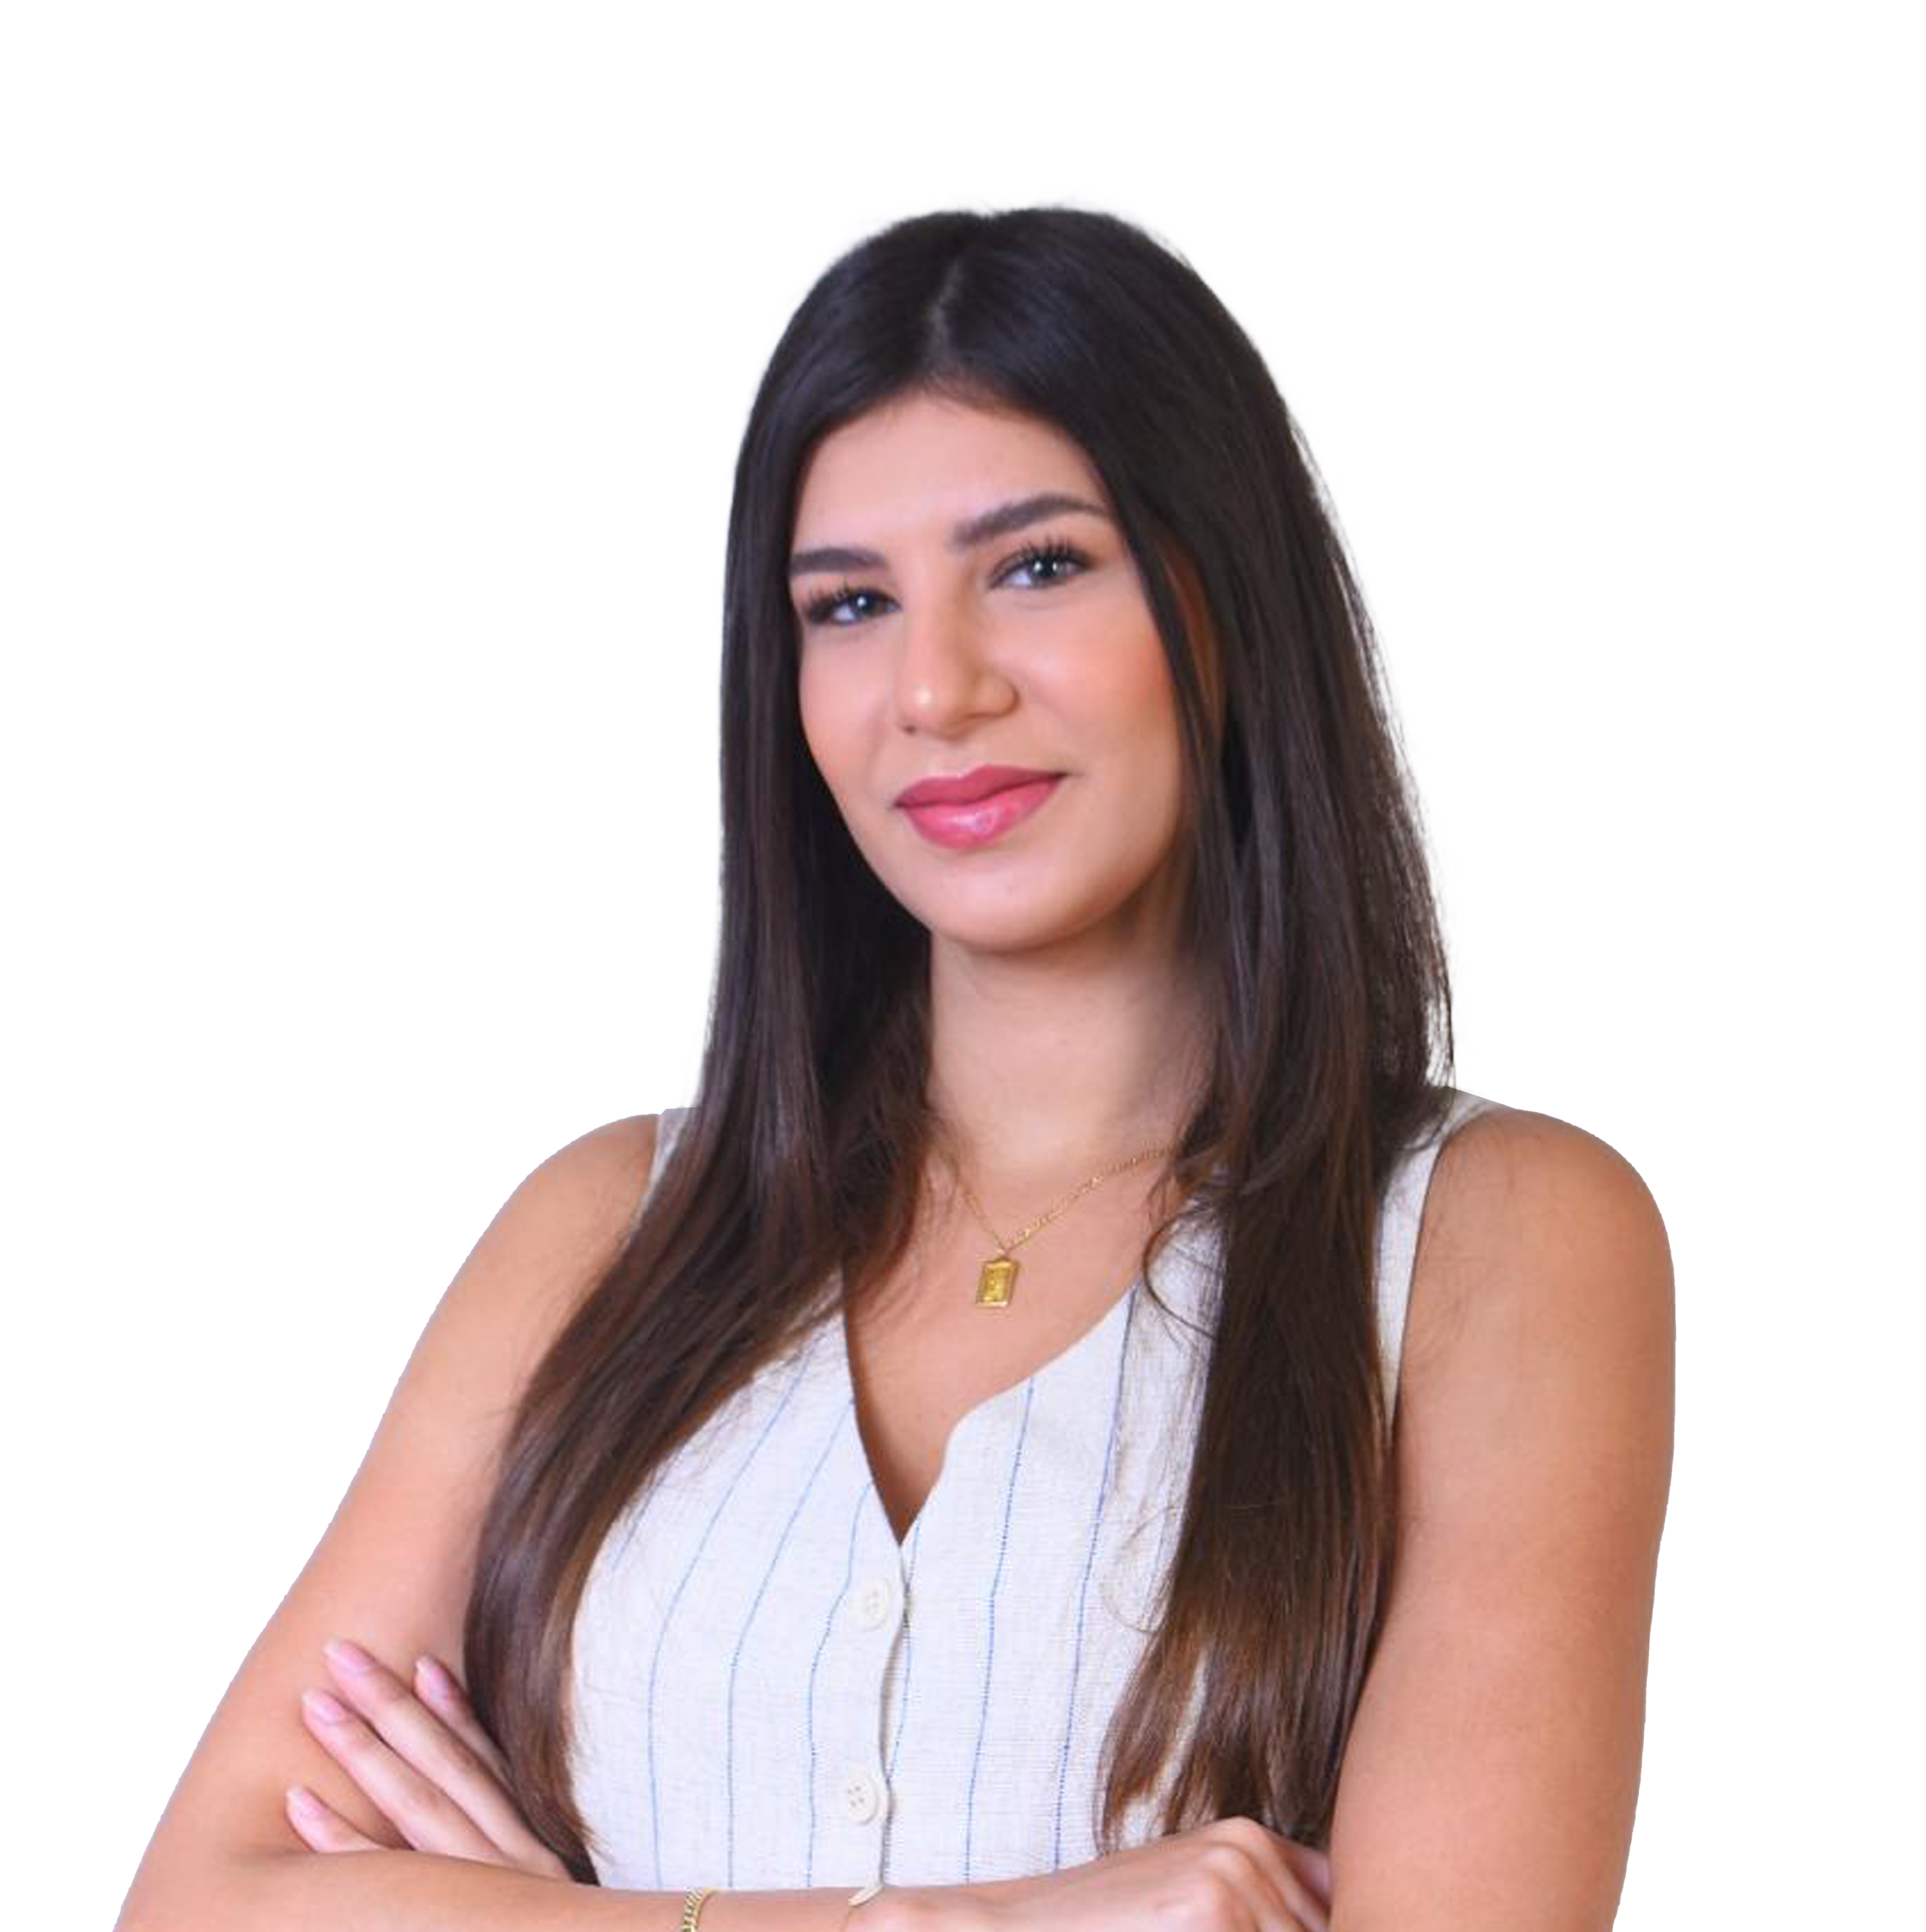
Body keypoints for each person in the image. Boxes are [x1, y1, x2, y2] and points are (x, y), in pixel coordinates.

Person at [117, 207, 1675, 1932]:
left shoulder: (1501, 1242)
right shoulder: (602, 1232)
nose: (934, 688)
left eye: (1038, 567)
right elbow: (198, 1907)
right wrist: (946, 1924)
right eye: (851, 604)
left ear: (1225, 599)